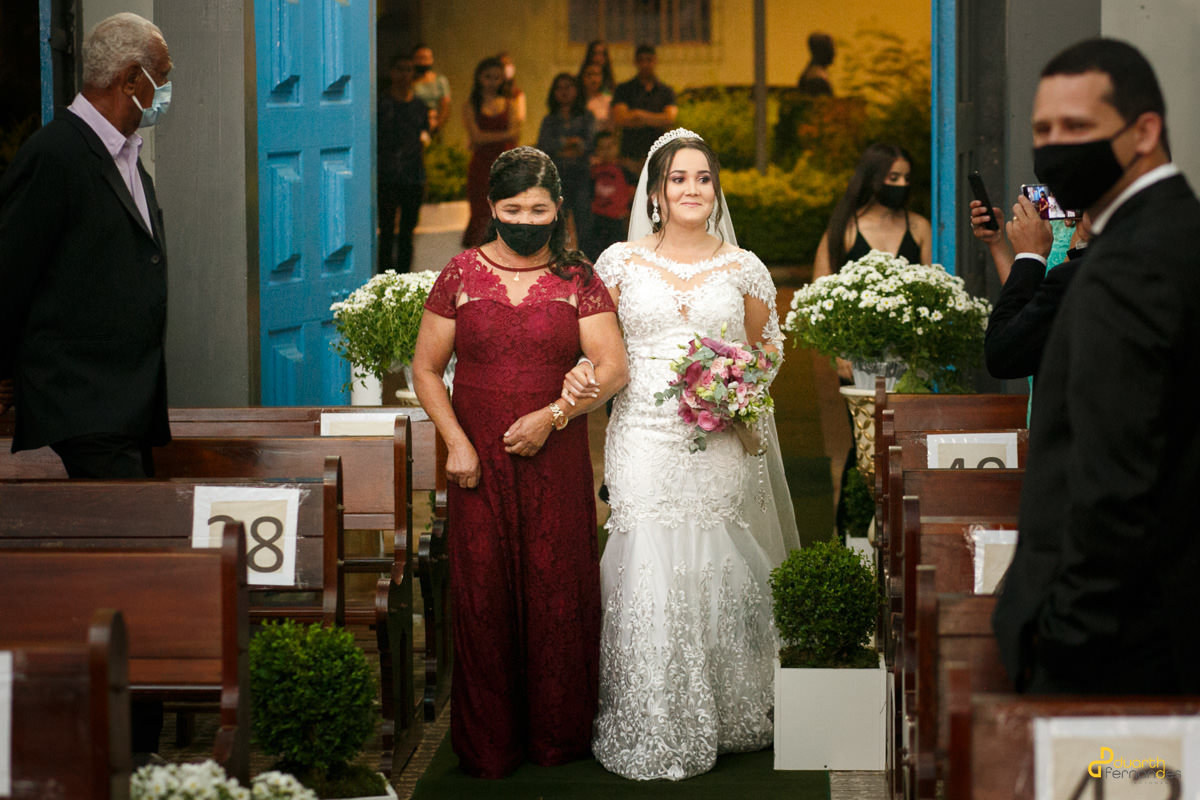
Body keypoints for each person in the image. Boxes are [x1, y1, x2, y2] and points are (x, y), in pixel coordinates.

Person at [571, 129, 800, 780]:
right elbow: (596, 347)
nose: (692, 189)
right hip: (640, 431)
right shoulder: (616, 263)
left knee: (712, 555)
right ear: (656, 192)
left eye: (703, 178)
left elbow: (768, 351)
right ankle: (652, 715)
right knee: (645, 551)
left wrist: (735, 393)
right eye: (679, 179)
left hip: (717, 440)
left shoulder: (742, 267)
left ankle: (730, 711)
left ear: (715, 189)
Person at [992, 38, 1200, 695]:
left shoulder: (1133, 264)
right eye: (1043, 130)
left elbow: (1114, 477)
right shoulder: (1171, 231)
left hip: (1116, 649)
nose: (1055, 146)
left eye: (1077, 128)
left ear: (1144, 132)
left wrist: (1064, 639)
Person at [412, 146, 628, 777]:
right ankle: (490, 745)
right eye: (514, 208)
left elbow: (613, 368)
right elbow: (425, 368)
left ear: (557, 209)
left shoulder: (579, 279)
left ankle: (558, 737)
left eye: (539, 208)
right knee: (482, 595)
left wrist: (555, 415)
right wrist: (455, 441)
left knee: (557, 589)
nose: (527, 219)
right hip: (476, 462)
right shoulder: (459, 274)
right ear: (493, 209)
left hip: (554, 462)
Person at [0, 12, 174, 759]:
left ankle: (132, 733)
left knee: (134, 564)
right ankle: (126, 744)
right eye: (160, 80)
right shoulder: (55, 155)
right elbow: (11, 280)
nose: (165, 92)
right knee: (130, 571)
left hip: (129, 400)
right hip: (86, 401)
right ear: (130, 79)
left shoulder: (127, 150)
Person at [813, 142, 933, 380]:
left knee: (909, 416)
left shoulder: (919, 227)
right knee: (867, 418)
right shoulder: (845, 230)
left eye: (906, 178)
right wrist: (838, 352)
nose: (902, 185)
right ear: (872, 179)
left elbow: (931, 293)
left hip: (911, 355)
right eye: (894, 177)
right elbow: (819, 295)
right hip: (858, 354)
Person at [970, 195, 1090, 386]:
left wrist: (1032, 254)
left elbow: (1053, 304)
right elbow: (1027, 302)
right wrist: (997, 241)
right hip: (1040, 385)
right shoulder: (1051, 220)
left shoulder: (1087, 229)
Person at [377, 51, 430, 273]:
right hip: (387, 175)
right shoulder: (382, 104)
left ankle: (404, 277)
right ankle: (384, 279)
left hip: (412, 176)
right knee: (387, 231)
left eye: (409, 70)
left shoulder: (419, 106)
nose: (404, 74)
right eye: (400, 69)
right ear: (391, 72)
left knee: (408, 232)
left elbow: (424, 138)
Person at [461, 56, 522, 247]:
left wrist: (486, 137)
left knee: (506, 211)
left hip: (506, 166)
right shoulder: (471, 105)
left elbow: (515, 134)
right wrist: (503, 134)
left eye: (497, 77)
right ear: (479, 78)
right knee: (481, 212)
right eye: (488, 77)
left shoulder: (510, 103)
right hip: (481, 167)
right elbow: (477, 137)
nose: (492, 82)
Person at [537, 73, 595, 250]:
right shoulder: (549, 120)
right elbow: (545, 145)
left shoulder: (586, 117)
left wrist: (562, 146)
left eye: (568, 87)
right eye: (559, 88)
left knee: (584, 224)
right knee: (556, 223)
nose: (564, 92)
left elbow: (589, 144)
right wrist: (570, 143)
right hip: (557, 177)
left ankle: (587, 264)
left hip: (581, 175)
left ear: (576, 90)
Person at [611, 45, 678, 172]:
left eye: (649, 60)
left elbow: (669, 118)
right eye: (641, 60)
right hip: (630, 158)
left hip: (658, 157)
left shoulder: (665, 91)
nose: (645, 64)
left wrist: (638, 115)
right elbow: (620, 119)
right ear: (635, 62)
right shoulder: (624, 89)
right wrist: (656, 119)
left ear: (655, 61)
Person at [585, 130, 634, 260]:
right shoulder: (593, 170)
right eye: (602, 148)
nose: (607, 151)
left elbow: (632, 190)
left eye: (610, 147)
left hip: (617, 219)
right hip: (598, 218)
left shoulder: (624, 169)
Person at [412, 43, 451, 135]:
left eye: (426, 58)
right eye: (420, 58)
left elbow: (445, 105)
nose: (423, 62)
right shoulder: (410, 82)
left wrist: (437, 126)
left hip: (434, 124)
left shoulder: (440, 80)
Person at [579, 62, 613, 132]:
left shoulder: (609, 99)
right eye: (589, 75)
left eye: (597, 75)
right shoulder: (577, 101)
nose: (593, 78)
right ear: (583, 77)